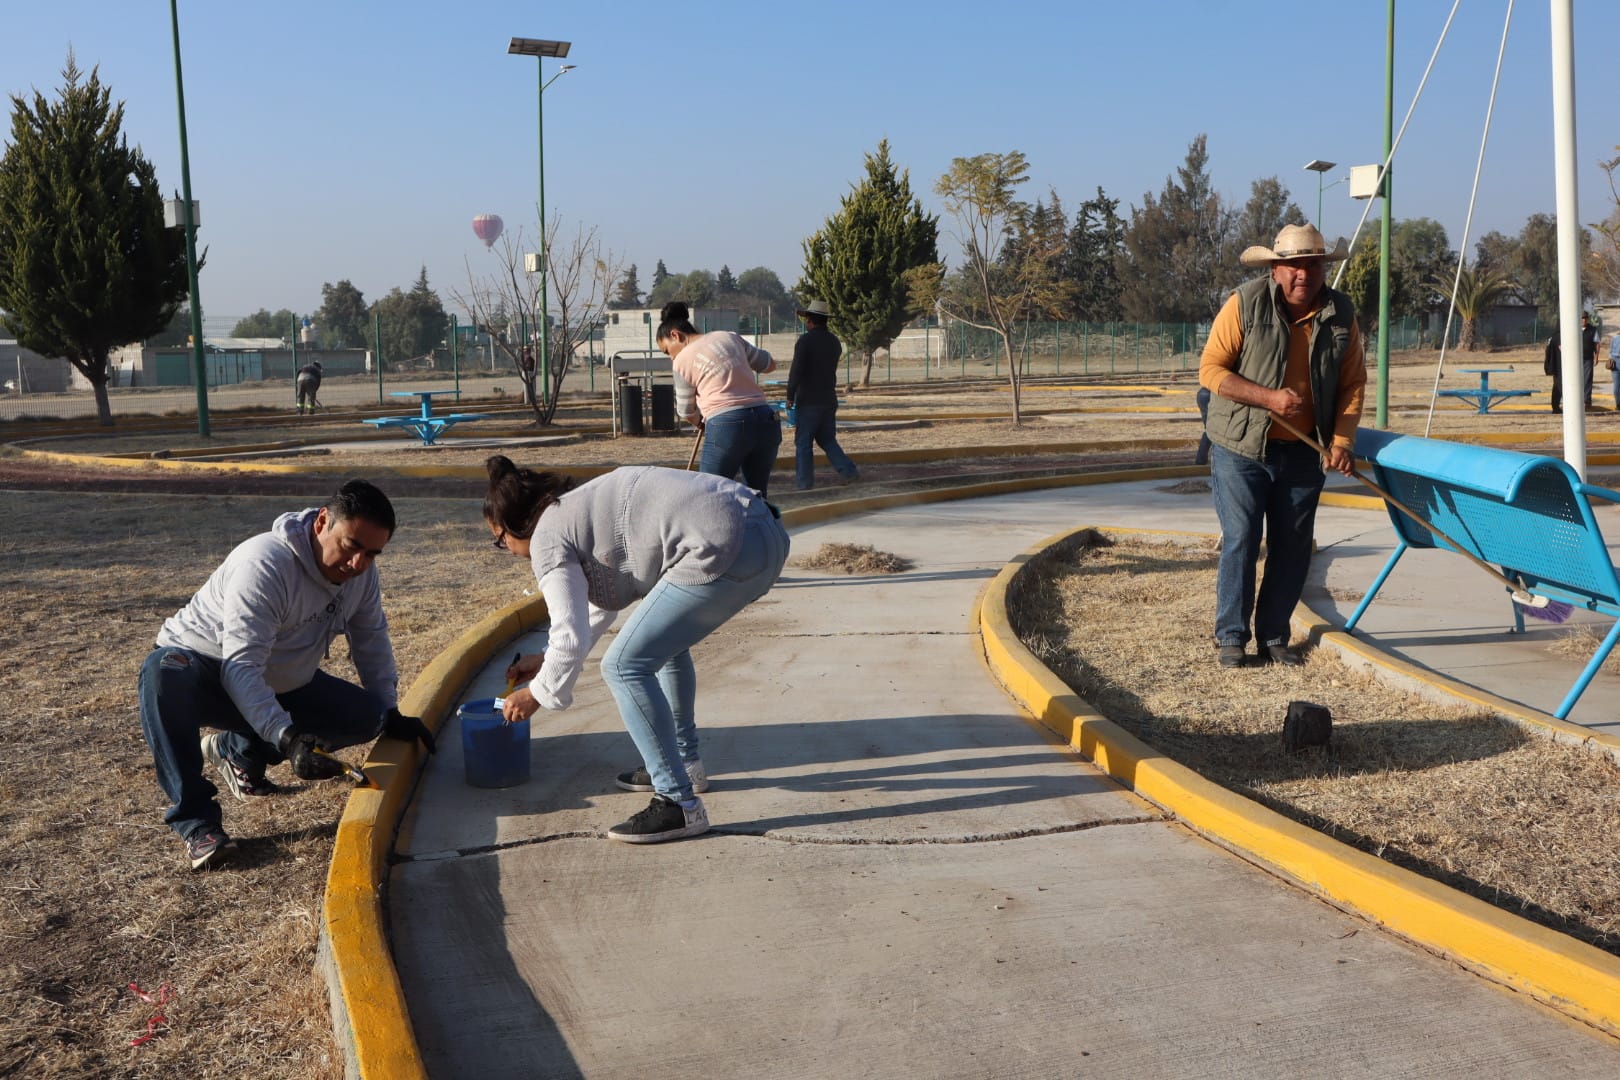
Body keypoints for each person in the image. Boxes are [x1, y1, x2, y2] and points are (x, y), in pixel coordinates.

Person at [485, 454, 789, 844]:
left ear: (515, 523)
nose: (506, 549)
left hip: (726, 541)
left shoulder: (547, 536)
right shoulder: (575, 510)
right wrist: (546, 662)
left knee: (624, 666)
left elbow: (571, 635)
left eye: (500, 540)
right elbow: (591, 611)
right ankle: (683, 764)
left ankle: (678, 804)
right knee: (662, 649)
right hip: (764, 530)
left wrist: (538, 694)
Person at [137, 480, 435, 870]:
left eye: (373, 554)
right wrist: (289, 738)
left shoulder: (362, 576)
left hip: (280, 681)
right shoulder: (265, 564)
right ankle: (197, 824)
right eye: (351, 546)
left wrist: (389, 709)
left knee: (368, 717)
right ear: (322, 522)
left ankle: (237, 750)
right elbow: (240, 666)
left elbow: (371, 640)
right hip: (205, 668)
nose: (358, 563)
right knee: (163, 675)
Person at [1199, 223, 1366, 669]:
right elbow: (1211, 371)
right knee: (1242, 538)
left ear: (1322, 270)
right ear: (1275, 270)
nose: (1302, 276)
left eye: (1311, 266)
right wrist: (1269, 398)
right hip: (1241, 447)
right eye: (1292, 266)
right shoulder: (1244, 304)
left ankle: (1274, 635)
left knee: (1293, 545)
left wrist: (1342, 440)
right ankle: (1231, 636)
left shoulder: (1341, 314)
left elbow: (1352, 384)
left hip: (1303, 453)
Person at [657, 301, 782, 494]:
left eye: (667, 351)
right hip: (766, 420)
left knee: (709, 494)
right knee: (756, 497)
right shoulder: (729, 337)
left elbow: (686, 411)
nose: (671, 357)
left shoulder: (681, 360)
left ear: (676, 335)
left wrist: (701, 422)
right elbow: (769, 364)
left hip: (727, 425)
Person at [786, 298, 860, 489]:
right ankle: (848, 471)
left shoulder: (805, 341)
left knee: (803, 443)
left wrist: (789, 395)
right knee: (827, 439)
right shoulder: (835, 342)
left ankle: (804, 484)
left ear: (810, 320)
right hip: (828, 399)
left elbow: (797, 370)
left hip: (808, 400)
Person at [1581, 312, 1599, 409]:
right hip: (1576, 360)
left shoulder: (1592, 330)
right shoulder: (1574, 328)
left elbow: (1597, 343)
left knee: (1587, 379)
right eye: (1581, 318)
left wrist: (1596, 357)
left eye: (1585, 318)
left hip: (1588, 358)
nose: (1583, 320)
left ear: (1587, 319)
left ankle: (1587, 401)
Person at [1545, 334, 1563, 413]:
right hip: (1559, 367)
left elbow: (1548, 352)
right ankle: (1556, 407)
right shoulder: (1557, 337)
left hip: (1557, 367)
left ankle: (1555, 406)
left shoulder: (1553, 337)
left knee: (1557, 386)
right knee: (1559, 386)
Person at [1609, 329, 1620, 410]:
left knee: (1616, 385)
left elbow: (1610, 352)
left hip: (1614, 362)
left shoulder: (1614, 338)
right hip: (1616, 361)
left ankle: (1618, 404)